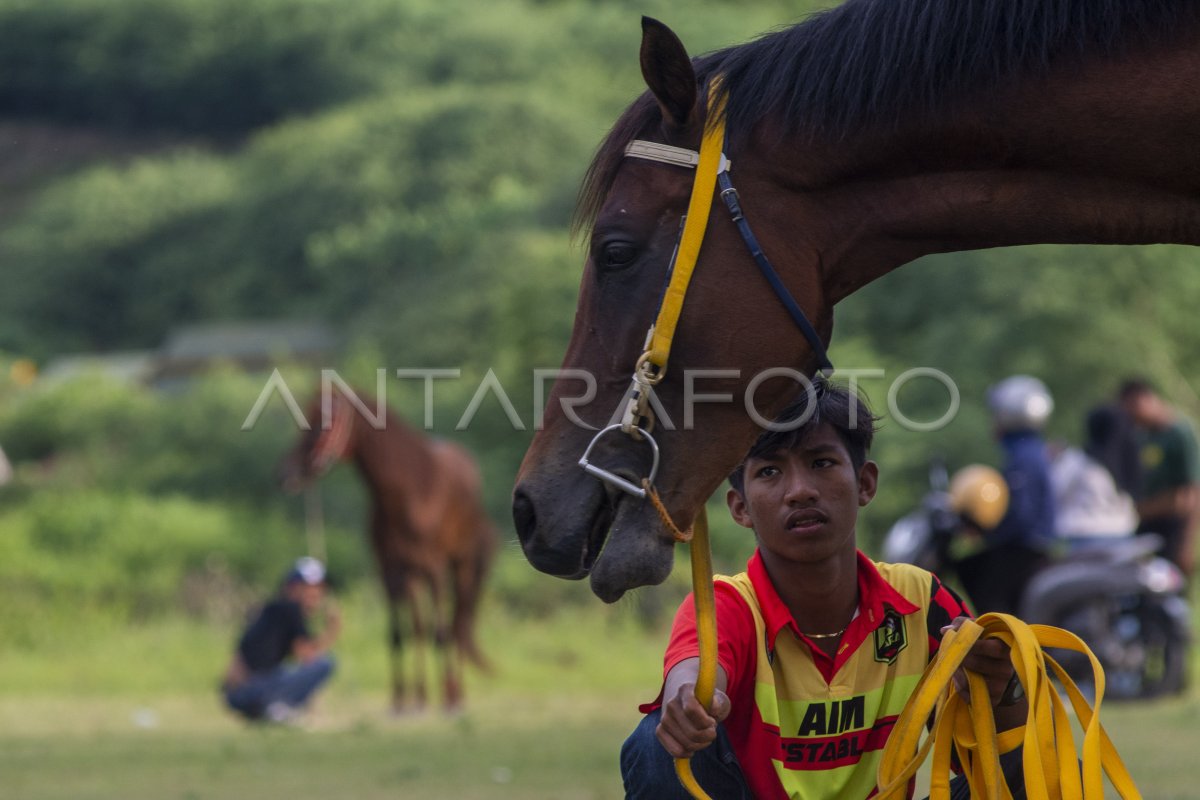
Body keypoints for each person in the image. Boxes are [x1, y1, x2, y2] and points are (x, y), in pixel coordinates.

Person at [620, 380, 1026, 800]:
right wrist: (686, 703)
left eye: (821, 462)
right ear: (740, 507)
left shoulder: (922, 600)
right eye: (770, 471)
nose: (800, 491)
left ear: (865, 483)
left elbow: (993, 761)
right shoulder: (727, 606)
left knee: (1034, 764)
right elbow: (692, 677)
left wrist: (1003, 685)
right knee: (657, 746)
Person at [956, 376, 1056, 615]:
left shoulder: (1023, 456)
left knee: (987, 590)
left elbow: (1020, 516)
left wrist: (988, 532)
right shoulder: (1029, 450)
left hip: (1024, 549)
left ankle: (1001, 646)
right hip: (1031, 546)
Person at [221, 557, 341, 724]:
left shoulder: (276, 609)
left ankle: (271, 709)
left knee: (286, 671)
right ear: (292, 588)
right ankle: (277, 708)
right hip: (249, 689)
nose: (315, 595)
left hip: (243, 690)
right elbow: (308, 657)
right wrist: (332, 631)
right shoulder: (290, 609)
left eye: (319, 589)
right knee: (325, 663)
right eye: (309, 589)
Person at [1118, 378, 1200, 576]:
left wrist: (1186, 544)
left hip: (1172, 525)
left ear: (1144, 399)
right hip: (1146, 524)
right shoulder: (1142, 435)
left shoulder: (1179, 433)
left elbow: (1192, 492)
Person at [1049, 405, 1139, 548]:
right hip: (1122, 534)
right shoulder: (1128, 461)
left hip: (1082, 536)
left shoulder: (1076, 460)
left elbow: (1053, 491)